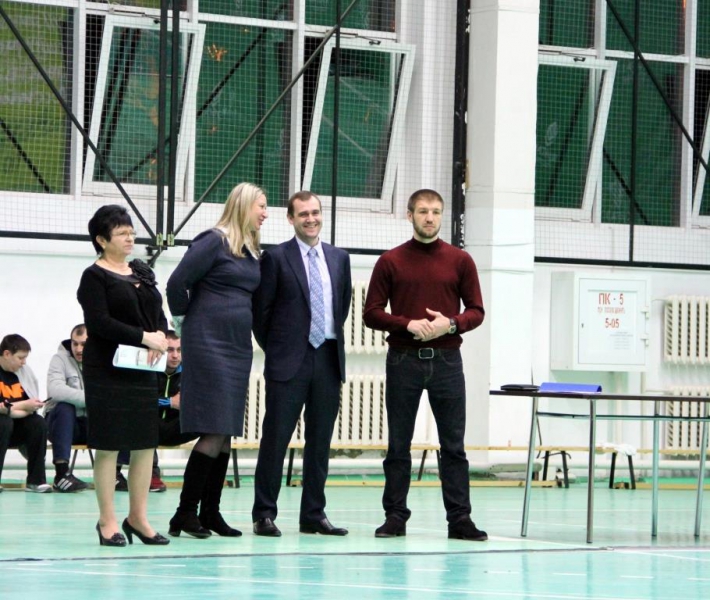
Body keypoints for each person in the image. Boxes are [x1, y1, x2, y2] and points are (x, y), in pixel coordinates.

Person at [363, 188, 488, 541]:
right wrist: (407, 324)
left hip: (448, 362)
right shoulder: (390, 261)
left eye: (435, 211)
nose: (429, 217)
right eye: (422, 211)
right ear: (410, 216)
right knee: (398, 444)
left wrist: (451, 324)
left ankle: (459, 519)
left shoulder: (461, 261)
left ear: (442, 215)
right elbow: (371, 313)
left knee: (453, 446)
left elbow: (476, 311)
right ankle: (395, 516)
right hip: (403, 360)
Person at [166, 182, 268, 539]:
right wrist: (184, 325)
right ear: (243, 206)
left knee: (225, 431)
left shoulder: (250, 249)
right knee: (213, 428)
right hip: (208, 342)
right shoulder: (213, 241)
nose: (265, 213)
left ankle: (210, 512)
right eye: (261, 206)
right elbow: (176, 284)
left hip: (237, 346)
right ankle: (184, 513)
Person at [252, 190, 352, 537]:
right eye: (303, 214)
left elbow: (342, 307)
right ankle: (264, 513)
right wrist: (280, 349)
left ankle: (313, 514)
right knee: (275, 439)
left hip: (327, 358)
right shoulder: (275, 257)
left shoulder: (339, 258)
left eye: (315, 212)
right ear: (291, 219)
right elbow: (261, 314)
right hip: (288, 361)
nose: (311, 219)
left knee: (320, 441)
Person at [77, 204, 170, 547]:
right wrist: (144, 337)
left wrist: (161, 336)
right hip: (108, 370)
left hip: (143, 368)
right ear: (102, 240)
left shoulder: (141, 271)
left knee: (145, 445)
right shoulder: (94, 277)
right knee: (109, 446)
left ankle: (138, 518)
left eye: (131, 232)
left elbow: (158, 311)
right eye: (121, 233)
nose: (130, 238)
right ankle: (108, 522)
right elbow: (100, 322)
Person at [114, 331, 194, 493]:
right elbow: (135, 400)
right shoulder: (147, 368)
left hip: (174, 428)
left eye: (179, 350)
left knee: (210, 423)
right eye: (170, 350)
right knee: (133, 413)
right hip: (147, 425)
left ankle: (203, 475)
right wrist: (169, 402)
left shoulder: (190, 374)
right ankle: (124, 473)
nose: (175, 355)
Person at [0, 334, 50, 493]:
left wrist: (11, 409)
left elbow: (30, 409)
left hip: (17, 425)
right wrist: (23, 406)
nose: (24, 362)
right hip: (3, 426)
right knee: (4, 421)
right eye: (20, 358)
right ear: (7, 354)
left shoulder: (25, 372)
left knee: (38, 422)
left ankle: (36, 481)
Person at [45, 324, 90, 492]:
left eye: (83, 344)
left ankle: (116, 474)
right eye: (75, 343)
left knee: (119, 409)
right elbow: (55, 391)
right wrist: (91, 399)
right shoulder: (59, 359)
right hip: (60, 424)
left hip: (89, 424)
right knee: (65, 407)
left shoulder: (101, 361)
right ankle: (61, 474)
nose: (78, 349)